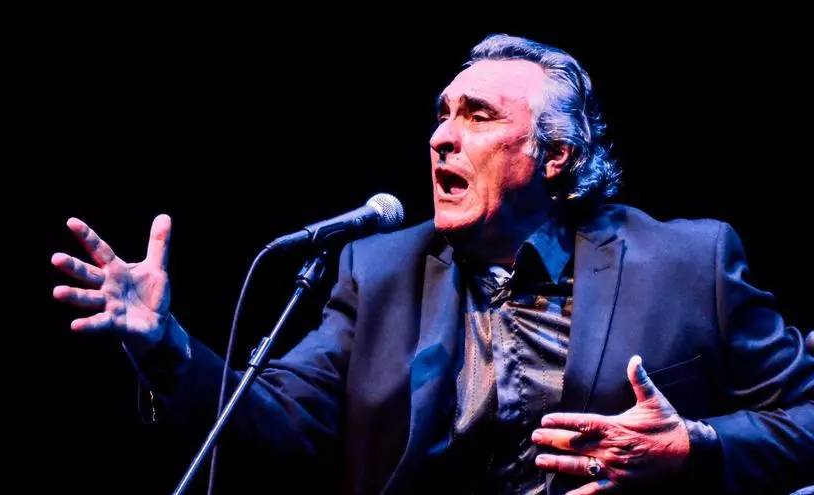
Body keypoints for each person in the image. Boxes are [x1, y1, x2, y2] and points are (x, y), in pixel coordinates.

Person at [51, 34, 814, 494]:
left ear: (556, 155)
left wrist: (695, 446)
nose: (442, 137)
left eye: (478, 116)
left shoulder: (689, 260)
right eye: (442, 114)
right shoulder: (377, 271)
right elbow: (276, 419)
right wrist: (165, 344)